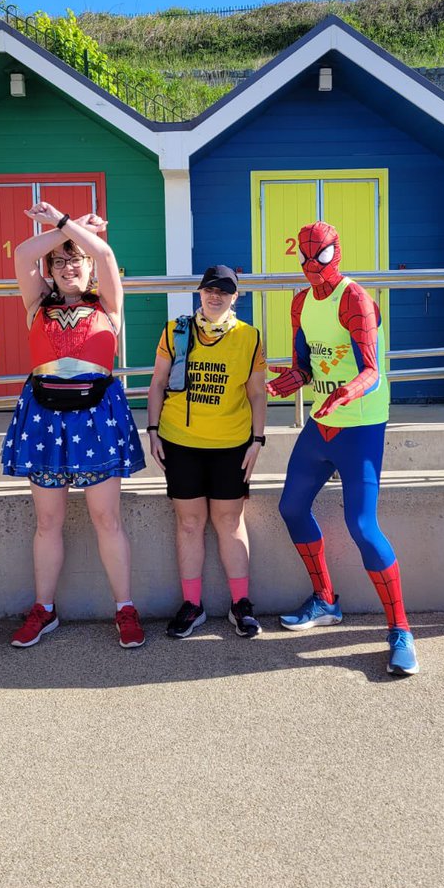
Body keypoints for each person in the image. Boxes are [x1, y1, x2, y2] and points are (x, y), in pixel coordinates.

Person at [266, 221, 419, 676]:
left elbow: (371, 370)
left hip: (360, 426)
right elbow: (306, 368)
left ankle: (400, 629)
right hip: (322, 423)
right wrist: (288, 380)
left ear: (338, 252)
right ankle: (326, 600)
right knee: (291, 507)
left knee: (361, 525)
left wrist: (349, 392)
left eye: (322, 258)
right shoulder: (299, 302)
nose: (313, 267)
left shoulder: (354, 298)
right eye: (306, 259)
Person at [1, 202, 146, 650]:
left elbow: (103, 256)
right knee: (47, 520)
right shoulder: (36, 305)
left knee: (106, 517)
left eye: (75, 259)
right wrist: (69, 231)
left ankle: (124, 607)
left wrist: (69, 226)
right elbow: (24, 254)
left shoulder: (108, 303)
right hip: (43, 419)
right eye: (60, 262)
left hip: (96, 416)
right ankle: (44, 609)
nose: (68, 267)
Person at [146, 265, 267, 639]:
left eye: (224, 291)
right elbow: (158, 382)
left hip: (231, 444)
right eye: (208, 289)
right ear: (199, 293)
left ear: (235, 297)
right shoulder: (176, 330)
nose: (215, 296)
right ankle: (192, 605)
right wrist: (152, 430)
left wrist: (257, 440)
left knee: (230, 523)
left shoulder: (249, 337)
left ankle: (241, 604)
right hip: (180, 442)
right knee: (188, 523)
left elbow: (258, 392)